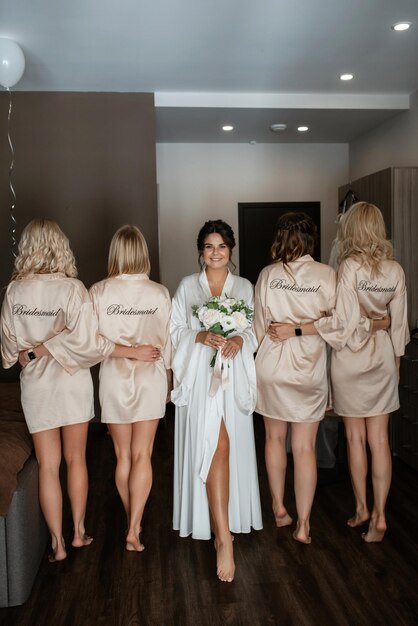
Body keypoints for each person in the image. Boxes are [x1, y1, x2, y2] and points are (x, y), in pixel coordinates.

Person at [273, 202, 408, 542]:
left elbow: (343, 326)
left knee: (355, 439)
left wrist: (305, 329)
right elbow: (400, 326)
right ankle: (379, 515)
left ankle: (362, 507)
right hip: (383, 360)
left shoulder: (348, 267)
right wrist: (395, 360)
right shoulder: (395, 270)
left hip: (350, 362)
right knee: (380, 440)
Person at [0, 219, 115, 562]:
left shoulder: (14, 293)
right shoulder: (73, 289)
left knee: (48, 465)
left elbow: (8, 353)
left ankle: (57, 545)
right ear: (60, 245)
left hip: (36, 387)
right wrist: (54, 345)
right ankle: (78, 532)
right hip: (72, 383)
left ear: (28, 248)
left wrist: (35, 350)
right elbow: (91, 344)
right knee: (75, 459)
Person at [170, 219, 262, 582]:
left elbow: (253, 329)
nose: (215, 252)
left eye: (221, 246)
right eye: (209, 247)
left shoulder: (243, 287)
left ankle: (223, 532)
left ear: (231, 250)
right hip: (200, 380)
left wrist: (240, 340)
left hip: (231, 377)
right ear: (200, 251)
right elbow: (175, 331)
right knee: (214, 445)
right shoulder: (186, 287)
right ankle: (224, 537)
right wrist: (199, 335)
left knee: (222, 445)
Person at [254, 212, 336, 544]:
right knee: (304, 448)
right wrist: (302, 328)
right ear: (311, 238)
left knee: (274, 440)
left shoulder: (268, 275)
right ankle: (303, 524)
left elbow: (258, 328)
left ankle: (278, 508)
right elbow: (339, 325)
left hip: (272, 367)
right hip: (309, 370)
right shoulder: (327, 275)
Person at [89, 225, 172, 552]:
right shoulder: (159, 293)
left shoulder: (98, 292)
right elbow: (168, 344)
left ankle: (131, 522)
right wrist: (168, 378)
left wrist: (124, 351)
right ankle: (135, 526)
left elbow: (90, 343)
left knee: (122, 456)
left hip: (113, 378)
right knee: (143, 455)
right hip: (150, 376)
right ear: (142, 253)